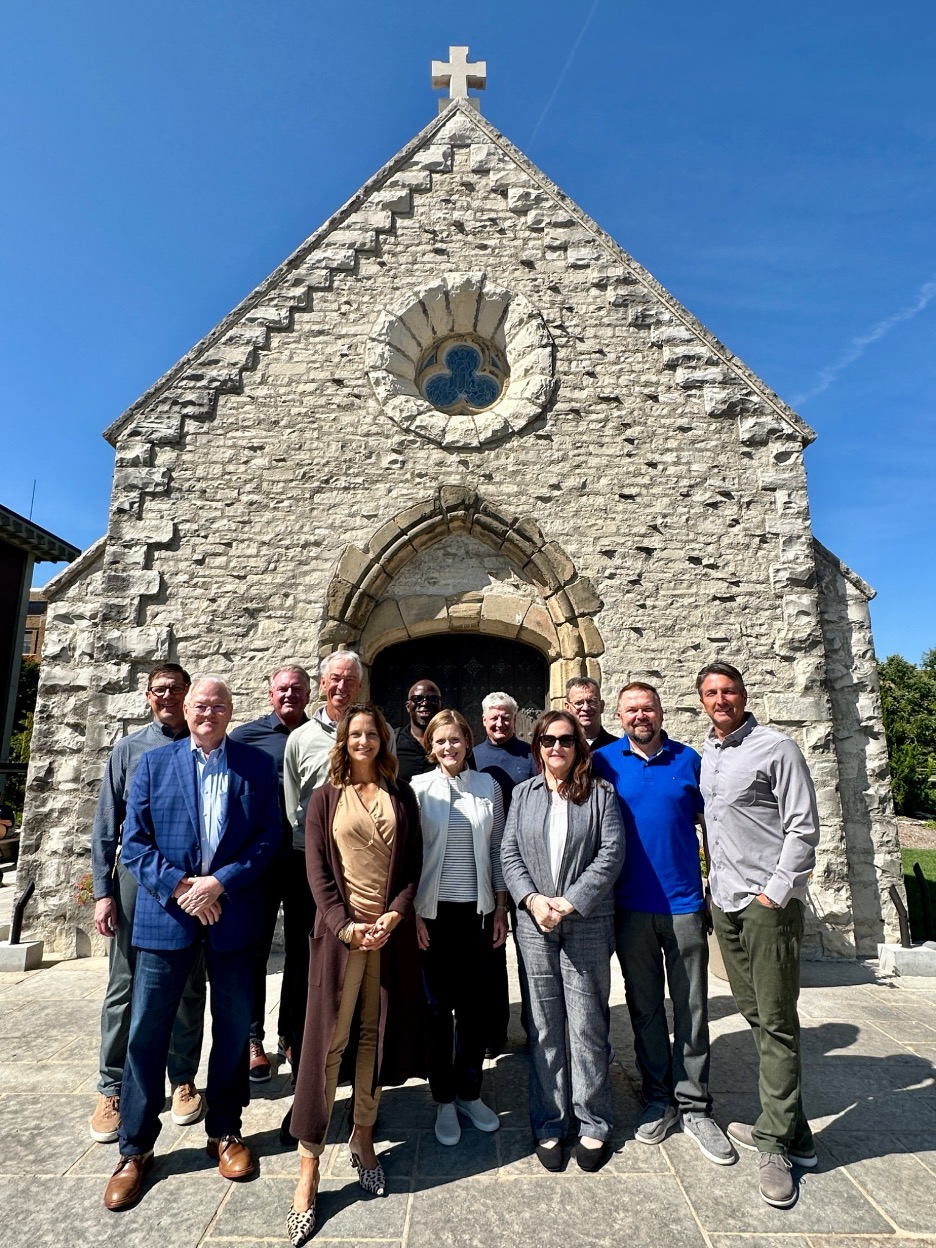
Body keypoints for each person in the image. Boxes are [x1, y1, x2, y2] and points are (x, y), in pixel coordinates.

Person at [103, 677, 281, 1211]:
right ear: (186, 709)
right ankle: (135, 1149)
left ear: (231, 712)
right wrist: (182, 888)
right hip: (166, 918)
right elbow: (134, 843)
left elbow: (269, 837)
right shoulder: (154, 765)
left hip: (231, 916)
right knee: (146, 1033)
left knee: (232, 1030)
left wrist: (219, 882)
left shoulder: (255, 766)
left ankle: (225, 1131)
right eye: (200, 705)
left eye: (218, 706)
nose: (208, 712)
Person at [287, 703, 424, 1247]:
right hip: (342, 938)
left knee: (374, 1037)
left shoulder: (401, 796)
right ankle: (308, 1165)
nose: (364, 740)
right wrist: (344, 926)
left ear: (383, 741)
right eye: (355, 734)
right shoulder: (325, 798)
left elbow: (411, 866)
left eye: (372, 733)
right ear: (342, 742)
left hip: (385, 937)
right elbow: (317, 870)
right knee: (328, 1043)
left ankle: (363, 1135)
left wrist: (396, 913)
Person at [592, 682, 734, 1165]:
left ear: (660, 712)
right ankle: (658, 1096)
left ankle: (694, 1105)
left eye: (648, 708)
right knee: (645, 1007)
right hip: (629, 908)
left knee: (692, 1007)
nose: (641, 716)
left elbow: (712, 827)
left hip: (684, 905)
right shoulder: (604, 762)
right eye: (631, 710)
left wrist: (715, 884)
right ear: (619, 716)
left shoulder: (688, 760)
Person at [697, 661, 820, 1209]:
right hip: (724, 902)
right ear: (702, 701)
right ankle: (796, 1131)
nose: (720, 700)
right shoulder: (707, 754)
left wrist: (775, 892)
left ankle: (775, 1145)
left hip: (765, 905)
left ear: (744, 695)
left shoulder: (777, 748)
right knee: (755, 1013)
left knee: (776, 1021)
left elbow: (803, 826)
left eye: (728, 691)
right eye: (710, 693)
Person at [501, 709, 624, 1172]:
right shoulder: (523, 794)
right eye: (548, 740)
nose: (557, 747)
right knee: (544, 1026)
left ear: (579, 748)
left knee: (588, 1024)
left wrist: (569, 902)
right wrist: (533, 901)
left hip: (586, 922)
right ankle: (550, 1120)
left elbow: (611, 853)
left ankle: (593, 1121)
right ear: (538, 747)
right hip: (535, 926)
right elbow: (509, 852)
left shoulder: (602, 794)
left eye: (566, 740)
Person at [89, 663, 206, 1145]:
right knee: (125, 981)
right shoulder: (129, 749)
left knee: (189, 982)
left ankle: (183, 1078)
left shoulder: (205, 746)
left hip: (189, 882)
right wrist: (103, 892)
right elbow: (106, 824)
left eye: (176, 688)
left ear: (188, 693)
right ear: (147, 696)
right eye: (159, 689)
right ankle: (112, 1086)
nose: (167, 696)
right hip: (138, 881)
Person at [411, 708, 507, 1146]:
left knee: (473, 1009)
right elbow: (409, 855)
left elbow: (498, 848)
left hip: (478, 912)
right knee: (436, 1010)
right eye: (441, 741)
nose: (449, 747)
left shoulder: (488, 787)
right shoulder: (418, 789)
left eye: (456, 739)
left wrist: (501, 907)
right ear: (430, 747)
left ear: (468, 741)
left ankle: (470, 1092)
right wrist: (414, 913)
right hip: (433, 915)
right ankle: (443, 1099)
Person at [280, 650, 363, 1140]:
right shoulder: (301, 738)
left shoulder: (370, 732)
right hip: (309, 865)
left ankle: (349, 1068)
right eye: (335, 679)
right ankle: (303, 1069)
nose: (342, 686)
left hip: (358, 869)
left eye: (350, 680)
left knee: (352, 962)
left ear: (359, 685)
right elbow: (293, 805)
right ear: (323, 683)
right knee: (306, 962)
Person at [229, 664, 311, 1082]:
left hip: (303, 859)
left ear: (308, 694)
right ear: (270, 694)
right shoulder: (245, 738)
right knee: (255, 951)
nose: (290, 694)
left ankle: (291, 1036)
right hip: (259, 861)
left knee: (301, 950)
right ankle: (251, 1039)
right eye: (283, 688)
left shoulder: (319, 736)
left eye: (297, 688)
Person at [472, 691, 536, 1054]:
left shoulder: (531, 756)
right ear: (483, 720)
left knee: (531, 953)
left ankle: (535, 1030)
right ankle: (492, 1033)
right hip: (487, 866)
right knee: (490, 954)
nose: (500, 723)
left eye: (506, 717)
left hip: (528, 867)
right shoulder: (473, 758)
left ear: (515, 719)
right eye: (493, 717)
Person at [394, 679, 443, 784]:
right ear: (408, 706)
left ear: (440, 705)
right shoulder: (393, 741)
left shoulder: (453, 743)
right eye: (417, 699)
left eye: (432, 699)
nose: (425, 703)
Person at [565, 677, 617, 750]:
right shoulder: (561, 748)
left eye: (591, 702)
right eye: (578, 703)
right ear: (567, 707)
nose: (585, 708)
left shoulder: (618, 748)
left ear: (601, 706)